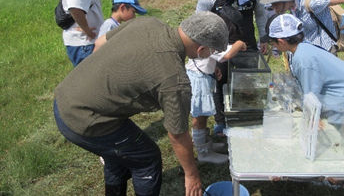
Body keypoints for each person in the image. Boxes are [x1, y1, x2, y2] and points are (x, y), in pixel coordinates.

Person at [54, 11, 228, 196]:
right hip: (82, 119)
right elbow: (177, 134)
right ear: (201, 50)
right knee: (147, 158)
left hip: (65, 96)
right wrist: (192, 175)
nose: (212, 55)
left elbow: (99, 43)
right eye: (213, 51)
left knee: (117, 156)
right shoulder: (174, 81)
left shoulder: (147, 23)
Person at [266, 13, 344, 147]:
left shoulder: (303, 58)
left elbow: (311, 96)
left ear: (281, 41)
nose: (273, 46)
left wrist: (313, 119)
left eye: (273, 42)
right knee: (343, 138)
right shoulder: (303, 47)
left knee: (338, 142)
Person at [196, 0, 268, 135]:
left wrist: (264, 37)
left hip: (246, 44)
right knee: (219, 81)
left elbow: (260, 14)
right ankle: (221, 121)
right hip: (218, 48)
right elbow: (199, 25)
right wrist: (206, 55)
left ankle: (247, 117)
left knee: (249, 81)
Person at [186, 16, 247, 163]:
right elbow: (226, 55)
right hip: (199, 81)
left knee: (203, 115)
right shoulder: (209, 42)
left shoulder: (202, 38)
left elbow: (207, 59)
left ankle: (207, 144)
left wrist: (213, 70)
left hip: (202, 75)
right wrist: (239, 44)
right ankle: (203, 153)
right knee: (199, 117)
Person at [260, 0, 344, 54]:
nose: (273, 7)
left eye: (275, 3)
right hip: (310, 51)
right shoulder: (293, 8)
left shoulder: (312, 3)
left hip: (325, 51)